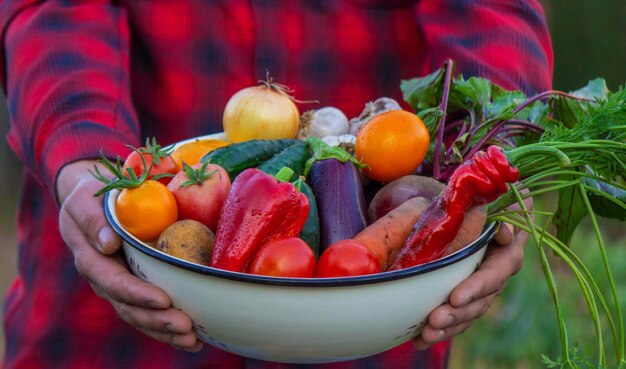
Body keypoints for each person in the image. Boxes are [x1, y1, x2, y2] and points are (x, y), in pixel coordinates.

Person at [0, 1, 551, 368]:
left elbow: (491, 12)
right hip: (124, 274)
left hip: (376, 309)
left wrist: (491, 158)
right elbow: (55, 11)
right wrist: (82, 156)